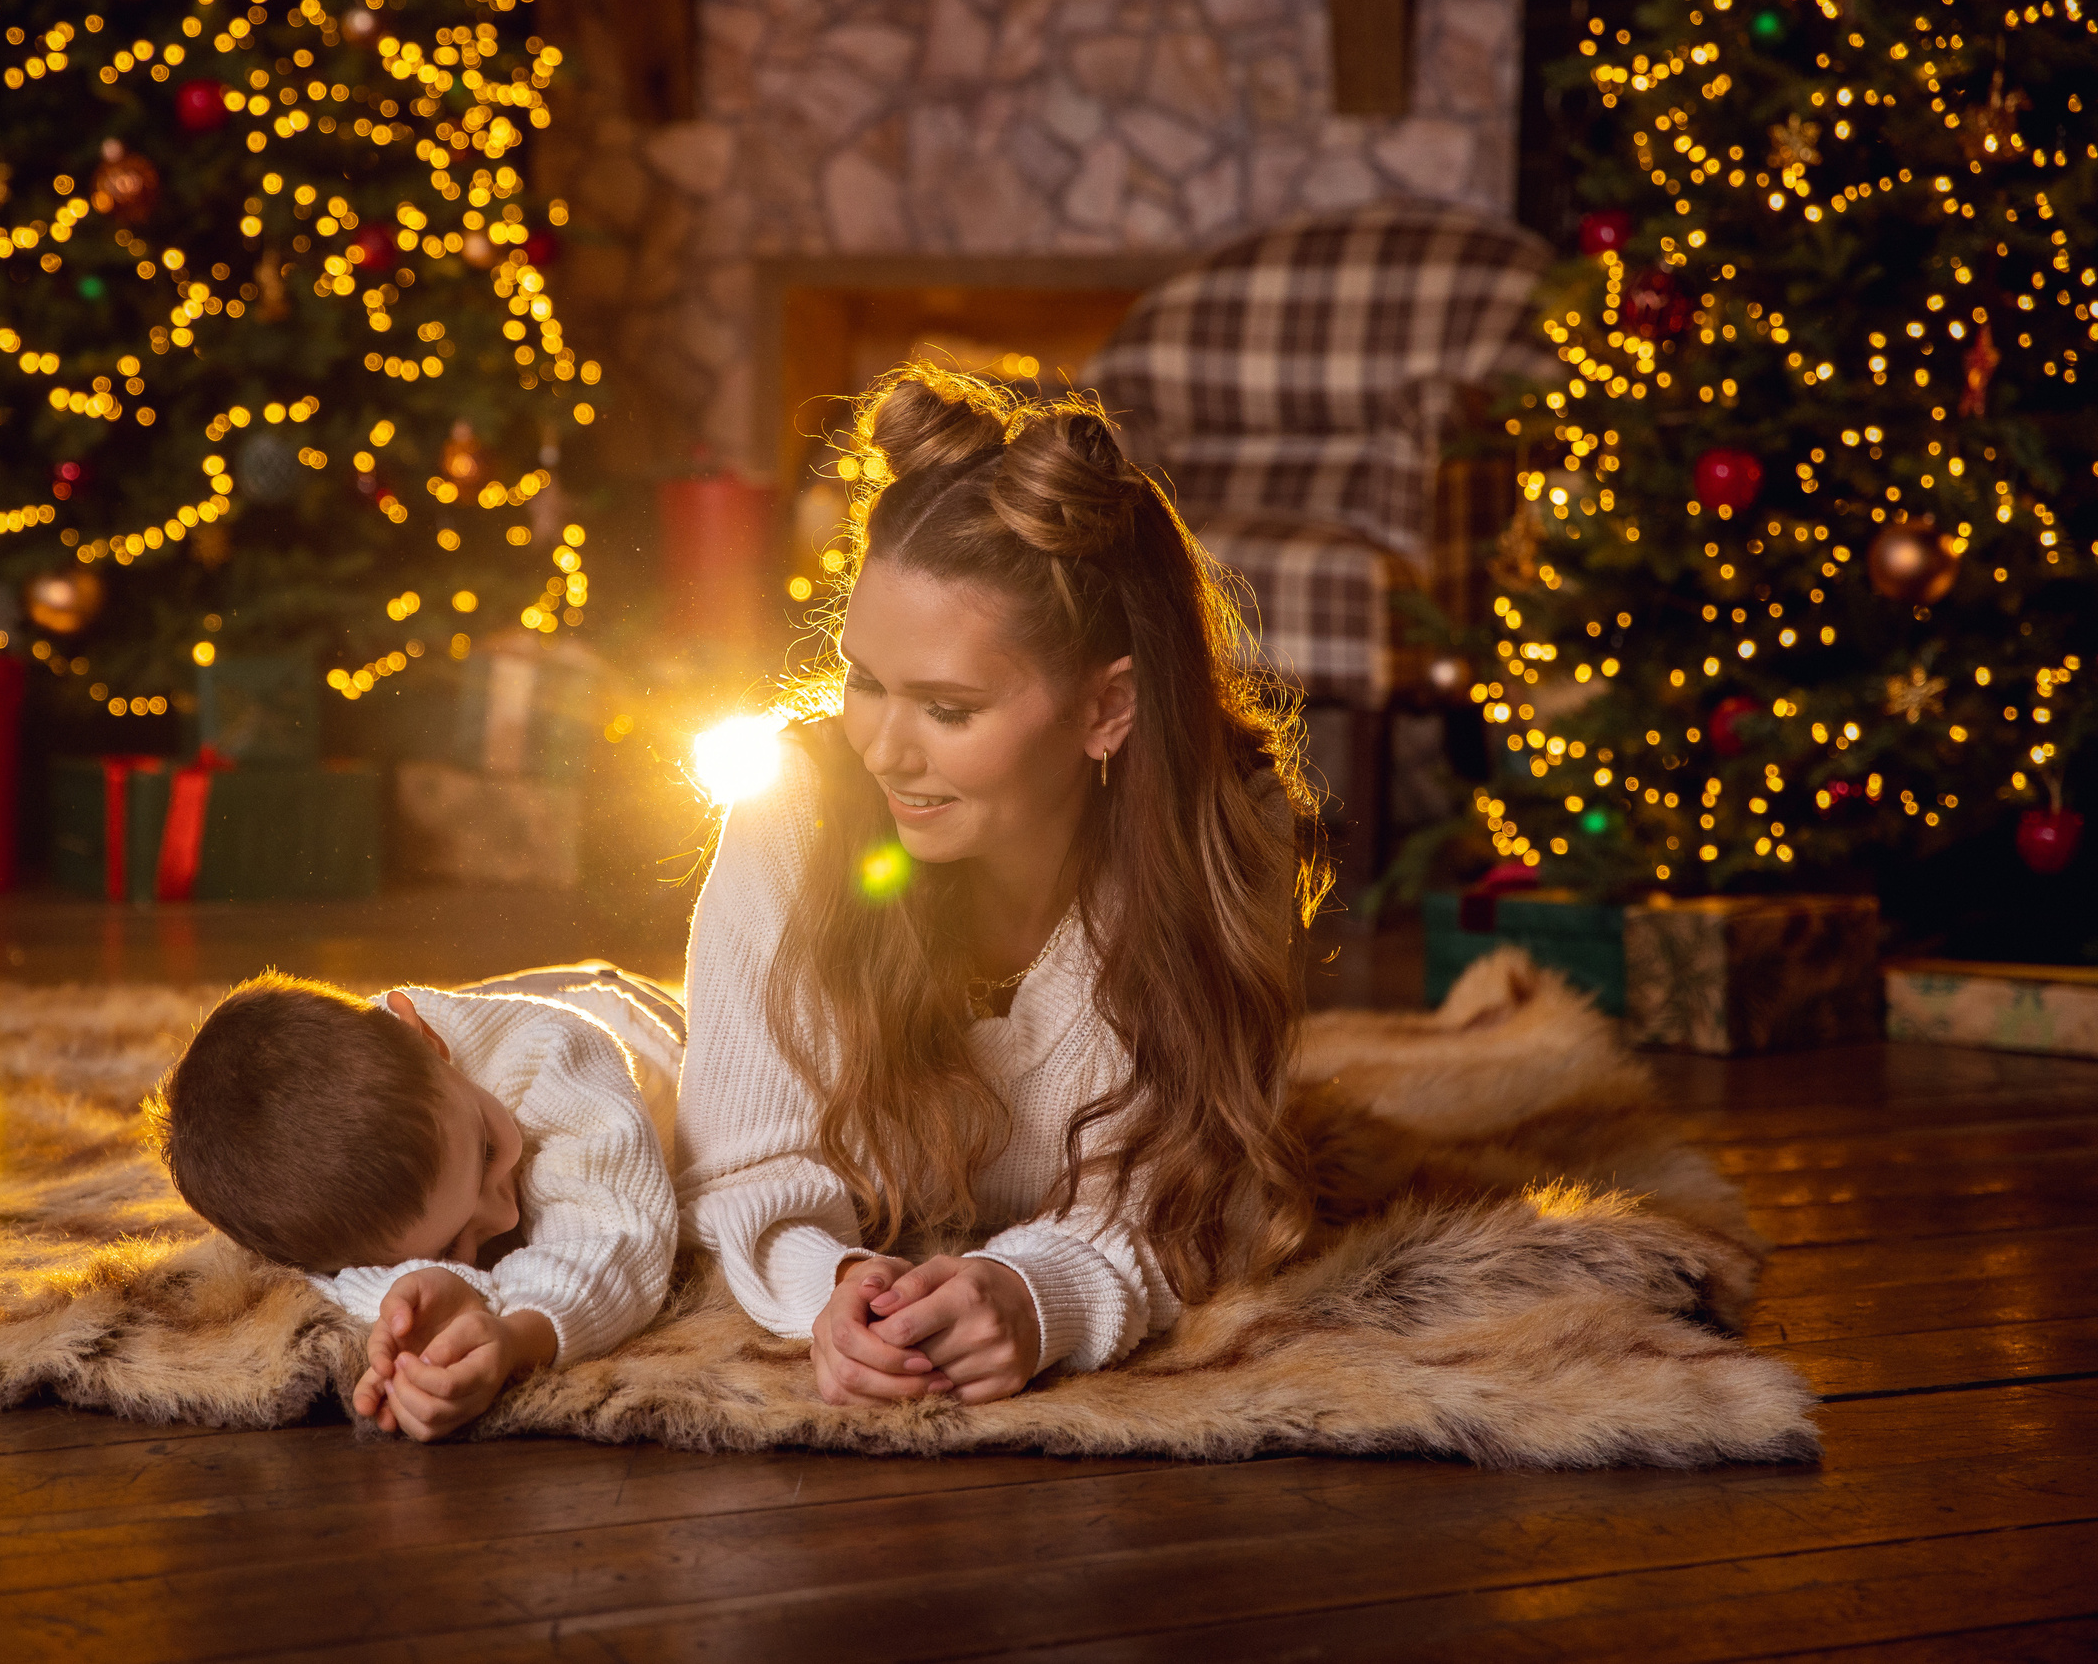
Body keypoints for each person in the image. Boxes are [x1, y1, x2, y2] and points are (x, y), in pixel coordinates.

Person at [674, 363, 1326, 1407]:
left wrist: (1035, 1295)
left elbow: (1191, 1200)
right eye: (864, 681)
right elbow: (746, 1171)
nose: (883, 750)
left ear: (1107, 709)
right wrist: (831, 1287)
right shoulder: (793, 807)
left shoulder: (1225, 831)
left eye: (948, 708)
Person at [147, 966, 680, 1440]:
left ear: (425, 1037)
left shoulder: (556, 1055)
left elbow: (617, 1235)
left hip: (626, 1014)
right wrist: (413, 1313)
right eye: (449, 1246)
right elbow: (333, 1283)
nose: (507, 1216)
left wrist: (518, 1337)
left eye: (488, 1151)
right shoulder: (315, 1207)